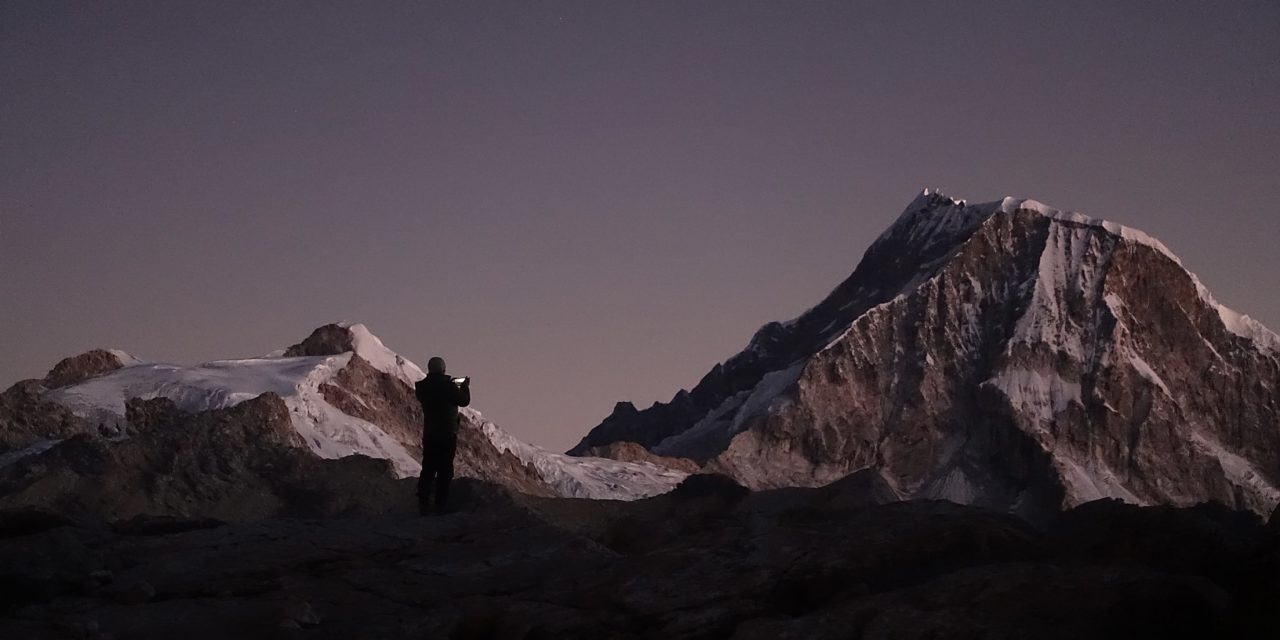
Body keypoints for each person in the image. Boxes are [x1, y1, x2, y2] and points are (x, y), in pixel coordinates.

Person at [414, 356, 470, 514]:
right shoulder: (448, 386)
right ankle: (440, 503)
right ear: (443, 368)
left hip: (430, 433)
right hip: (446, 433)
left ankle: (423, 501)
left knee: (428, 467)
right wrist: (464, 386)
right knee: (445, 469)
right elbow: (464, 401)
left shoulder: (423, 387)